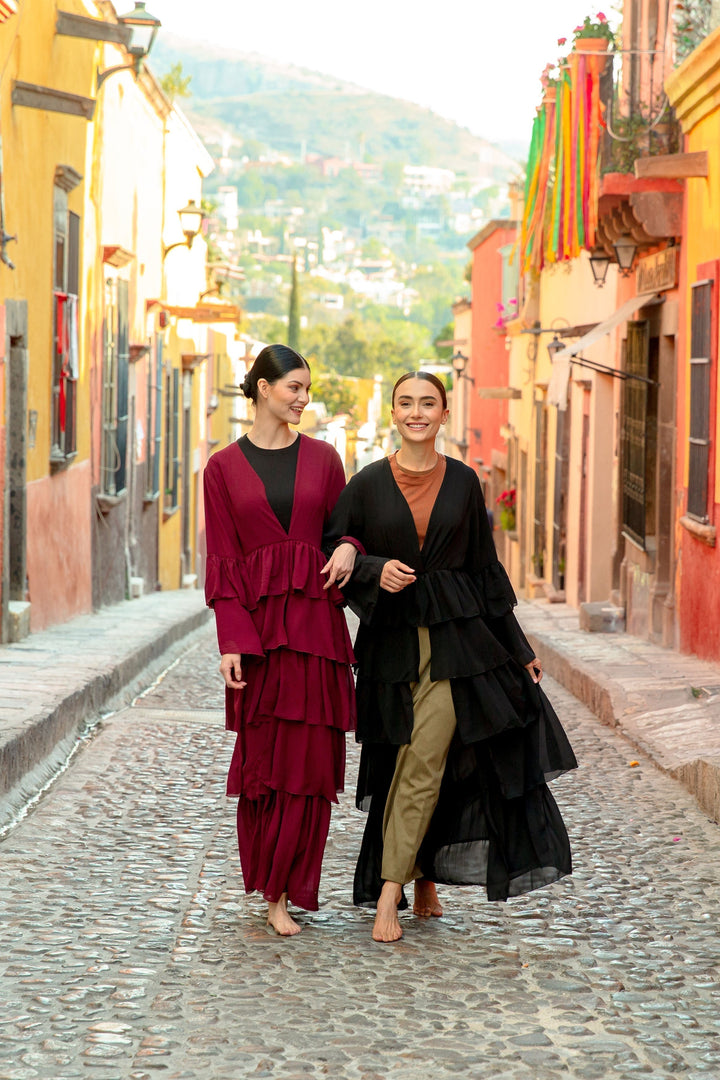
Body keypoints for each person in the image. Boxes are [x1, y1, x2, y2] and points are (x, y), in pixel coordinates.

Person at [327, 371, 577, 943]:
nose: (417, 412)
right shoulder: (365, 485)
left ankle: (388, 892)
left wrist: (518, 648)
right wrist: (371, 569)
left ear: (444, 413)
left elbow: (484, 569)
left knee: (424, 760)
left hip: (457, 645)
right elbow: (335, 553)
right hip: (391, 648)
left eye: (428, 404)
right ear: (393, 413)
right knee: (400, 763)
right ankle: (422, 876)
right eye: (406, 403)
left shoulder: (464, 482)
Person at [203, 344, 358, 936]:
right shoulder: (221, 469)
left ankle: (294, 888)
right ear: (262, 388)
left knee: (314, 765)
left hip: (318, 636)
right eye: (294, 387)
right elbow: (221, 560)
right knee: (266, 765)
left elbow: (347, 532)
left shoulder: (325, 459)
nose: (303, 398)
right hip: (260, 640)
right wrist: (231, 643)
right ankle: (271, 888)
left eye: (307, 388)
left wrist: (349, 547)